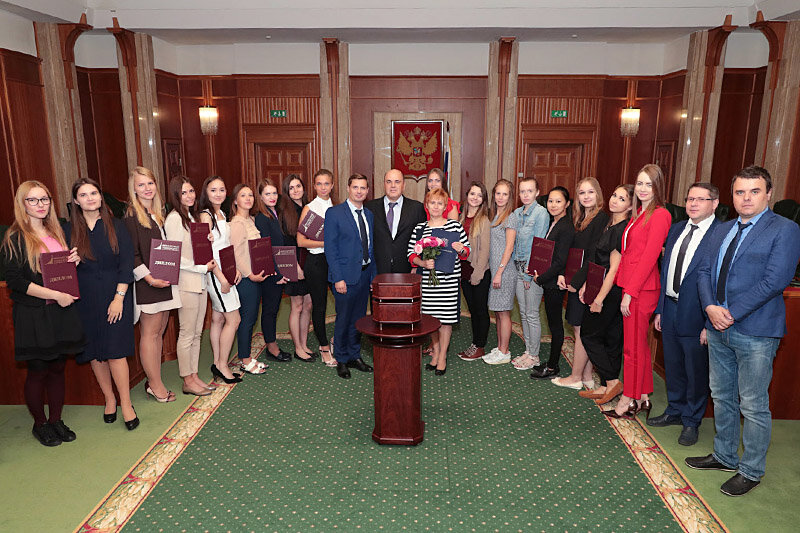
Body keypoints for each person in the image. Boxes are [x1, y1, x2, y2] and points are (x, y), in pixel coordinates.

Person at [687, 166, 800, 496]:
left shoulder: (785, 229)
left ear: (768, 194)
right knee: (722, 395)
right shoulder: (723, 229)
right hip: (717, 326)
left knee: (752, 404)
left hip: (756, 331)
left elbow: (775, 281)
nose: (746, 198)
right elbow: (704, 271)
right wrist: (710, 309)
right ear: (732, 196)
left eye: (754, 191)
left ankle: (750, 470)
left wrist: (731, 313)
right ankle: (724, 455)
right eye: (740, 192)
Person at [1, 181, 86, 446]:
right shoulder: (15, 237)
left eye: (45, 199)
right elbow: (15, 281)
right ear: (22, 204)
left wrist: (73, 262)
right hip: (34, 313)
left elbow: (60, 274)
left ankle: (56, 420)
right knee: (38, 370)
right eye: (33, 200)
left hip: (60, 311)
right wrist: (55, 295)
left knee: (58, 367)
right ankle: (40, 424)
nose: (41, 205)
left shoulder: (56, 232)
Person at [648, 183, 720, 446]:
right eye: (690, 199)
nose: (693, 204)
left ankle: (691, 420)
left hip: (698, 313)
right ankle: (675, 410)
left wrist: (708, 323)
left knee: (695, 370)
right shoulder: (677, 228)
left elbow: (718, 282)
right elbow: (665, 271)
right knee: (674, 364)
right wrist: (660, 309)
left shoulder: (720, 233)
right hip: (670, 307)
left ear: (714, 203)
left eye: (701, 199)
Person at [66, 178, 138, 430]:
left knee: (116, 352)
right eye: (83, 195)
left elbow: (126, 264)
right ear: (76, 201)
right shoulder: (68, 230)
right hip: (85, 299)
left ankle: (126, 403)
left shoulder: (117, 226)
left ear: (100, 197)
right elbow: (58, 270)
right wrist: (70, 264)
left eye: (94, 193)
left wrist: (118, 298)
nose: (90, 198)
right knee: (95, 353)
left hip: (115, 294)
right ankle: (109, 399)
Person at [604, 164, 671, 419]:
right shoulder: (640, 213)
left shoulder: (660, 214)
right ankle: (642, 395)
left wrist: (630, 292)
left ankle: (627, 400)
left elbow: (649, 257)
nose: (643, 189)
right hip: (632, 285)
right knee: (639, 346)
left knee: (631, 348)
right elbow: (630, 253)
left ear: (658, 187)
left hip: (641, 289)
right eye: (640, 183)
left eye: (649, 184)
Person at [124, 166, 182, 403]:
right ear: (133, 189)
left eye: (150, 183)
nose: (147, 188)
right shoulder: (131, 217)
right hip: (148, 283)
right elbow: (132, 255)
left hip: (165, 281)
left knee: (159, 333)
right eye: (141, 184)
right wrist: (149, 279)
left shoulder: (158, 214)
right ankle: (155, 385)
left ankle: (154, 380)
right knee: (150, 334)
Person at [578, 184, 633, 405]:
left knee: (589, 335)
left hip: (610, 292)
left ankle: (612, 381)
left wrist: (599, 299)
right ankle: (605, 385)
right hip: (600, 286)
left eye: (622, 199)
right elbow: (597, 262)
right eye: (614, 195)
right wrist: (587, 284)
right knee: (610, 338)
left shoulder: (621, 231)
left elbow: (613, 270)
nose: (614, 200)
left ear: (630, 206)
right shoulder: (611, 224)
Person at [552, 178, 609, 390]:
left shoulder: (601, 219)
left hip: (586, 282)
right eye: (582, 192)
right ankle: (586, 375)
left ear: (598, 194)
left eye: (590, 192)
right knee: (581, 328)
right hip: (576, 279)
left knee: (580, 330)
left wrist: (577, 282)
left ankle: (575, 377)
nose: (586, 196)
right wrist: (565, 276)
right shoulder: (579, 218)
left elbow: (594, 255)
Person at [408, 187, 470, 375]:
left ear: (445, 207)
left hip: (448, 282)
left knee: (446, 320)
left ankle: (442, 356)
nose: (436, 206)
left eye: (440, 203)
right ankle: (435, 352)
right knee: (431, 320)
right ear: (427, 205)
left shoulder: (455, 227)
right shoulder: (420, 229)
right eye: (432, 203)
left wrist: (461, 249)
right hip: (428, 283)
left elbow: (466, 253)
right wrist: (422, 263)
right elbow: (411, 254)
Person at [165, 177, 217, 396]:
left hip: (200, 281)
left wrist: (208, 240)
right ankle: (187, 379)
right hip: (186, 282)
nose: (189, 196)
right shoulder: (174, 219)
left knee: (197, 333)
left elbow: (196, 249)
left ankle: (194, 376)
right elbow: (175, 256)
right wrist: (201, 267)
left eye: (191, 191)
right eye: (184, 192)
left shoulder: (192, 217)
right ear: (176, 196)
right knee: (187, 333)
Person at [324, 174, 377, 379]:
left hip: (364, 276)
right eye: (355, 187)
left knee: (359, 318)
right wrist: (338, 278)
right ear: (348, 188)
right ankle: (341, 359)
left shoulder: (369, 215)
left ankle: (355, 355)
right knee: (343, 319)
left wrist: (373, 277)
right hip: (344, 278)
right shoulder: (334, 213)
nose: (359, 191)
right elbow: (331, 249)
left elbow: (370, 247)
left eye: (363, 188)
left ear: (367, 191)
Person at [197, 175, 242, 384]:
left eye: (222, 190)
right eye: (213, 190)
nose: (218, 194)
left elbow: (225, 246)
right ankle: (223, 365)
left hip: (226, 270)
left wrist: (235, 269)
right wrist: (223, 279)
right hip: (215, 274)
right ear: (206, 193)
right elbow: (207, 253)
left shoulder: (222, 213)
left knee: (218, 319)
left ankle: (217, 362)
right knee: (234, 319)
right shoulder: (205, 216)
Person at [530, 186, 575, 379]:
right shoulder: (553, 222)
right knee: (552, 322)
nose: (553, 205)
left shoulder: (566, 227)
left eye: (558, 201)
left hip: (554, 284)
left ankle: (553, 366)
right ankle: (551, 362)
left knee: (555, 325)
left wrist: (541, 278)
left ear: (567, 204)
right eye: (550, 201)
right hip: (549, 280)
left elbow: (560, 261)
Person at [229, 184, 269, 375]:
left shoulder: (250, 220)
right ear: (235, 201)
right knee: (247, 319)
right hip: (246, 279)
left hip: (255, 276)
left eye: (250, 195)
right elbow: (236, 254)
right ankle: (244, 360)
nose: (248, 198)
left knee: (251, 318)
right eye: (243, 195)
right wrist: (250, 274)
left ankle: (246, 356)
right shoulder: (237, 223)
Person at [510, 177, 549, 370]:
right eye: (522, 191)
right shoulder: (517, 213)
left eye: (529, 191)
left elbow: (539, 245)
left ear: (537, 192)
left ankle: (534, 355)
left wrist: (529, 274)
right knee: (523, 313)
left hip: (531, 271)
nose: (525, 195)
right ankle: (528, 350)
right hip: (517, 268)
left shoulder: (541, 213)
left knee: (532, 314)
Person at [297, 169, 335, 367]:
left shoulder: (337, 207)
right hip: (316, 262)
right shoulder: (309, 208)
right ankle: (324, 347)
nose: (323, 187)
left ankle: (337, 339)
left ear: (332, 185)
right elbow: (301, 241)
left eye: (326, 183)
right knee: (319, 306)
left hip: (334, 261)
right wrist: (325, 243)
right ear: (314, 186)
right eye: (319, 184)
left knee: (342, 301)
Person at [277, 174, 315, 360]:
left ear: (303, 188)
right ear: (286, 192)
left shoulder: (309, 208)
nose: (295, 190)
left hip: (310, 263)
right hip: (295, 264)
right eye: (291, 188)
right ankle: (298, 348)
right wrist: (296, 268)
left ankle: (305, 344)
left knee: (308, 305)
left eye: (298, 186)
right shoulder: (285, 212)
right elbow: (286, 243)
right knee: (297, 306)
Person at [255, 179, 292, 361]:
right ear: (260, 197)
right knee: (270, 310)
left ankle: (272, 343)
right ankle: (272, 347)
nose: (272, 197)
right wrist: (277, 273)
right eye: (267, 194)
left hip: (277, 269)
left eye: (274, 193)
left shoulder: (274, 213)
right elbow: (266, 249)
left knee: (274, 308)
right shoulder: (262, 218)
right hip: (270, 272)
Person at [482, 179, 518, 365]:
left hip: (505, 271)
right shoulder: (495, 215)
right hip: (496, 270)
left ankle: (504, 351)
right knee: (497, 311)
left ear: (510, 197)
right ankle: (500, 347)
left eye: (505, 194)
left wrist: (499, 273)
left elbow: (509, 247)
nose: (501, 197)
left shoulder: (510, 217)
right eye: (498, 193)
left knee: (503, 312)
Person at [365, 168, 427, 274]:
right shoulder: (369, 208)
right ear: (384, 185)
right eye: (389, 182)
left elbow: (422, 239)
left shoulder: (417, 208)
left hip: (407, 270)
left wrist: (417, 265)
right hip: (377, 270)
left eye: (397, 182)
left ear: (404, 185)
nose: (393, 185)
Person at [457, 181, 492, 361]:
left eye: (479, 195)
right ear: (467, 195)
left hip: (478, 272)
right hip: (464, 272)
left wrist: (477, 274)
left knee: (480, 311)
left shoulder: (483, 220)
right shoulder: (460, 218)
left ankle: (480, 346)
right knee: (472, 310)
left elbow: (485, 251)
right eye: (472, 194)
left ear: (483, 199)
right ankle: (475, 343)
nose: (475, 198)